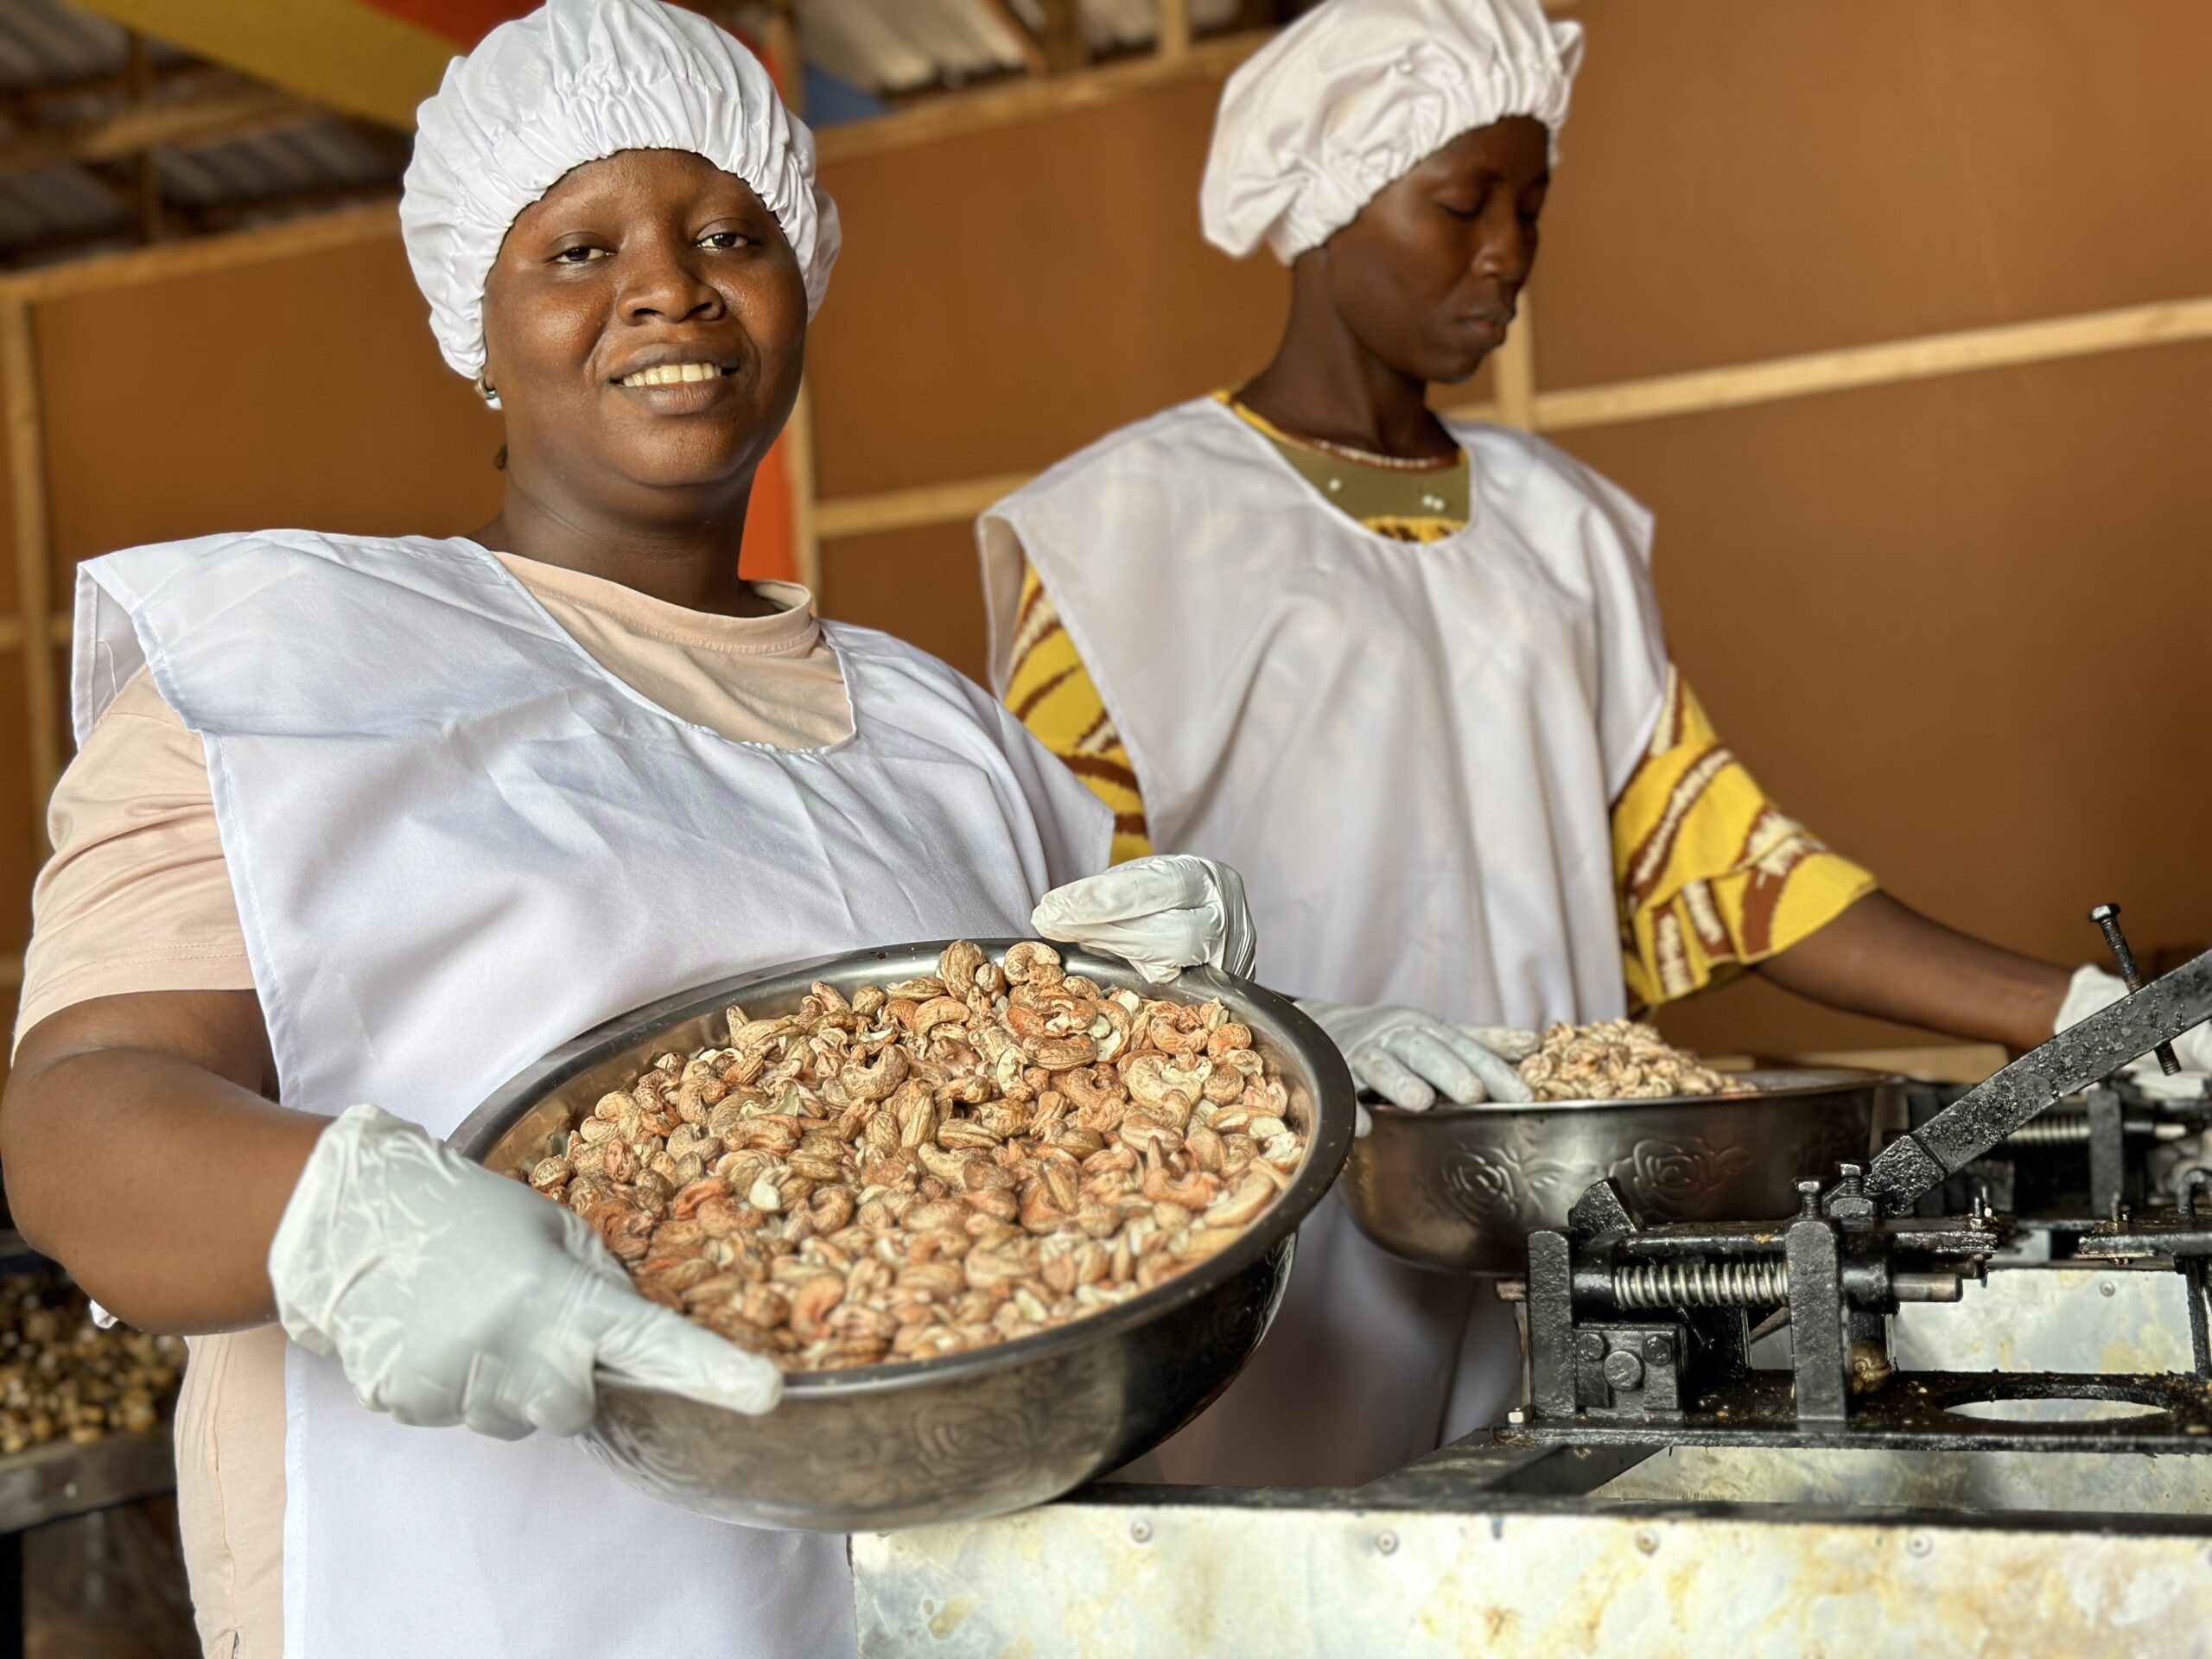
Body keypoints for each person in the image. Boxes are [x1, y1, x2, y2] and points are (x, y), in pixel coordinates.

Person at [0, 3, 1256, 1655]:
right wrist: (333, 1212)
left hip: (932, 1600)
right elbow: (79, 1126)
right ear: (477, 313)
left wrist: (1243, 1036)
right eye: (579, 246)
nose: (670, 287)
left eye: (729, 233)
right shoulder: (286, 665)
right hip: (479, 1589)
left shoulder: (949, 733)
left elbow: (1121, 1147)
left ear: (800, 279)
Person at [979, 0, 2211, 1489]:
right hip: (1266, 1255)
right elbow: (1059, 955)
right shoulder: (1119, 540)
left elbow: (1727, 864)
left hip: (1571, 1248)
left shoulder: (1561, 529)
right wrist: (1311, 1044)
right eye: (1459, 202)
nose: (1507, 249)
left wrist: (2092, 1014)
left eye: (1531, 201)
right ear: (1323, 198)